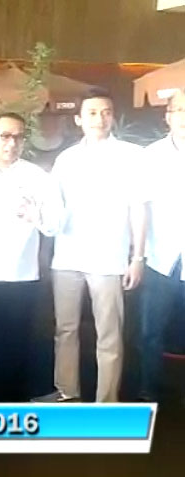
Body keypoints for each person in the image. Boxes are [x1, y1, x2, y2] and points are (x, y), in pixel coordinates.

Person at [35, 89, 147, 403]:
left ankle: (106, 401)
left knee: (108, 334)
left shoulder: (131, 155)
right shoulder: (66, 159)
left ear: (113, 117)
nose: (99, 118)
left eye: (106, 112)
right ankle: (66, 391)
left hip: (109, 258)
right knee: (65, 329)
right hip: (67, 256)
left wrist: (137, 257)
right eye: (92, 113)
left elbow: (138, 208)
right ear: (78, 119)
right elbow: (53, 207)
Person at [0, 113, 63, 402]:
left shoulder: (37, 176)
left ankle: (11, 409)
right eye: (5, 136)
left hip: (21, 276)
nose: (12, 143)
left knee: (16, 347)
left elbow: (55, 224)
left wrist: (36, 216)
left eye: (18, 137)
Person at [137, 88, 185, 402]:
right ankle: (148, 389)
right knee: (150, 331)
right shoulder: (152, 155)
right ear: (167, 116)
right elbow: (141, 207)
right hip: (161, 256)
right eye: (179, 110)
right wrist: (138, 256)